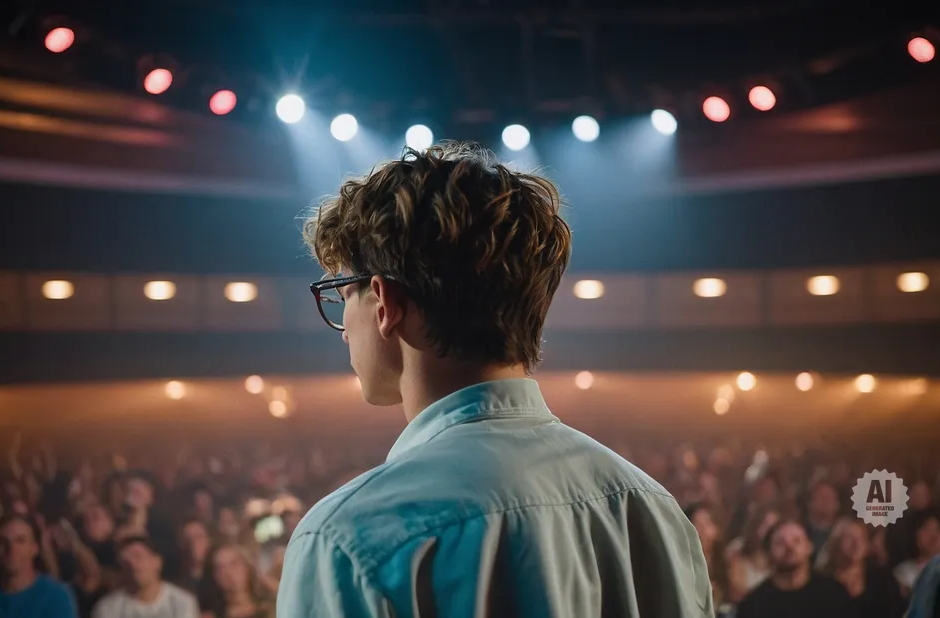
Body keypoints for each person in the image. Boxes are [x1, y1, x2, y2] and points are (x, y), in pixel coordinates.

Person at [277, 143, 714, 618]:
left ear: (384, 303)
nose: (343, 331)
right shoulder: (650, 508)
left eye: (342, 295)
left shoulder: (350, 539)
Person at [736, 520, 855, 618]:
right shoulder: (754, 605)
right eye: (780, 543)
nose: (789, 547)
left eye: (797, 541)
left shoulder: (834, 594)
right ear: (769, 552)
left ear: (809, 547)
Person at [0, 513, 77, 618]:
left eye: (20, 541)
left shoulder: (55, 597)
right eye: (3, 542)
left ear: (34, 548)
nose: (12, 549)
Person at [816, 518, 905, 617]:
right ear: (837, 543)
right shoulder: (822, 582)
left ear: (867, 546)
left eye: (861, 538)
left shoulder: (883, 580)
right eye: (849, 538)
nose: (856, 544)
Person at [92, 535, 199, 618]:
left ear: (157, 562)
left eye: (138, 557)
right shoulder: (108, 608)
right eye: (126, 562)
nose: (133, 564)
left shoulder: (182, 602)